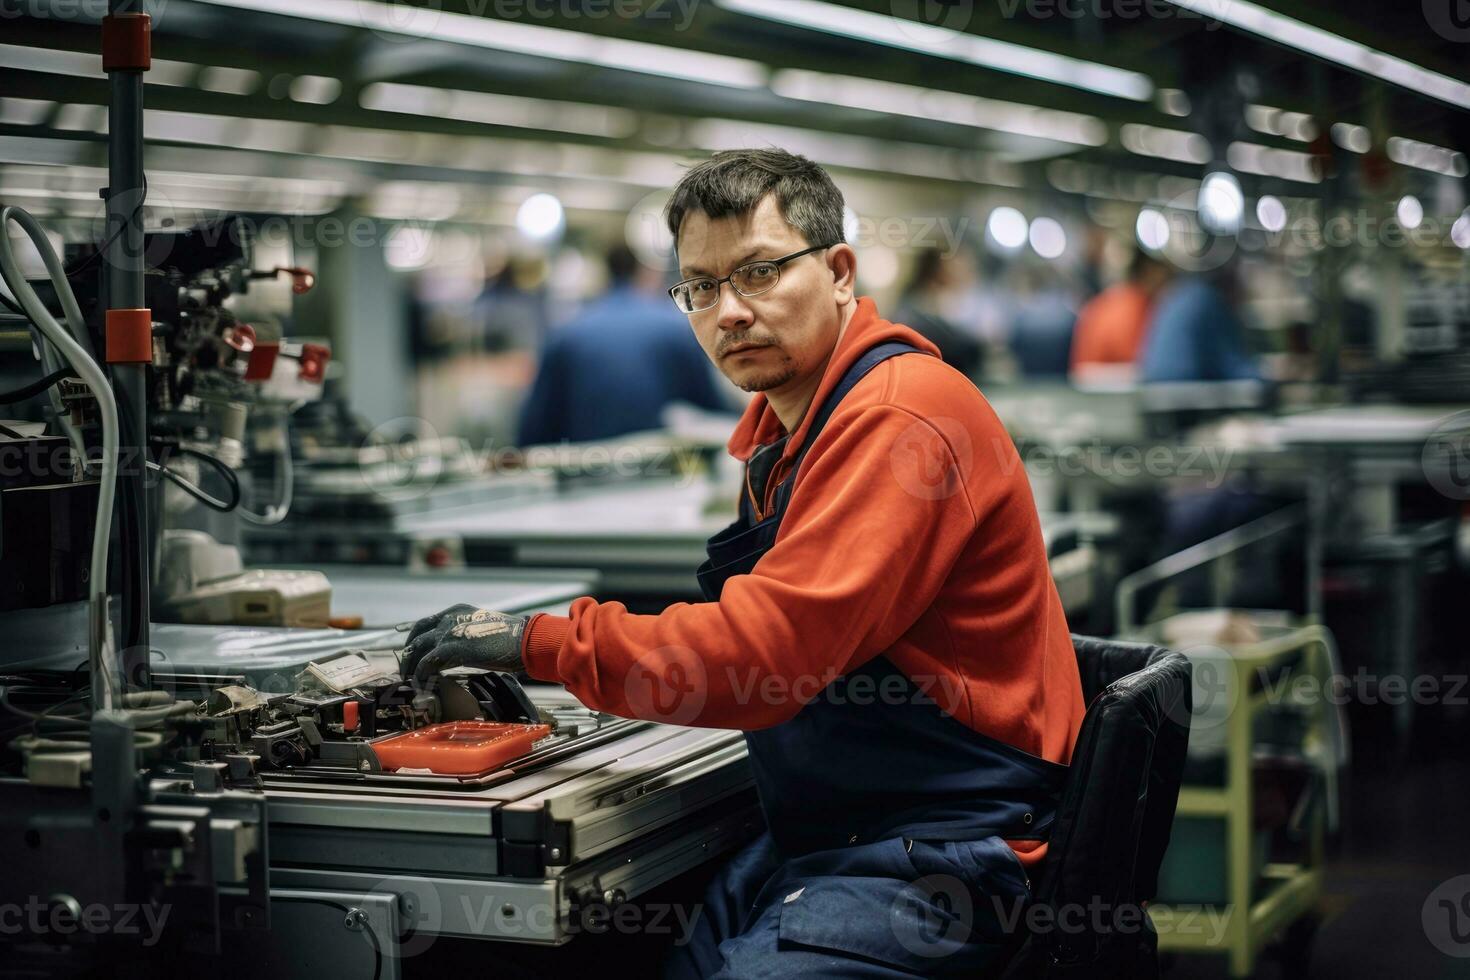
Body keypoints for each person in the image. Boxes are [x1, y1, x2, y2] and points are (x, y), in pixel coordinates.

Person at [402, 149, 1085, 977]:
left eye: (759, 273)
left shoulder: (902, 417)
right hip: (842, 831)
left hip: (951, 848)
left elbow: (766, 652)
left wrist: (536, 643)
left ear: (839, 272)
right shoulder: (785, 439)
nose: (728, 311)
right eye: (701, 286)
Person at [517, 245, 726, 445]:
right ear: (642, 271)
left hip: (586, 470)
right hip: (663, 472)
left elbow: (535, 428)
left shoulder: (566, 333)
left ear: (606, 272)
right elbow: (713, 410)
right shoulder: (676, 327)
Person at [1069, 248, 1172, 383]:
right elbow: (1139, 365)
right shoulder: (1135, 306)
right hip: (1110, 394)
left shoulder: (1106, 301)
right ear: (1150, 271)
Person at [1138, 272, 1260, 383]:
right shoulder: (1208, 300)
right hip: (1187, 394)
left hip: (1155, 390)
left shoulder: (1177, 293)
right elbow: (1234, 366)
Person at [892, 246, 986, 376]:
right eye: (952, 265)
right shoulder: (918, 307)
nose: (957, 271)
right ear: (938, 270)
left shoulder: (941, 302)